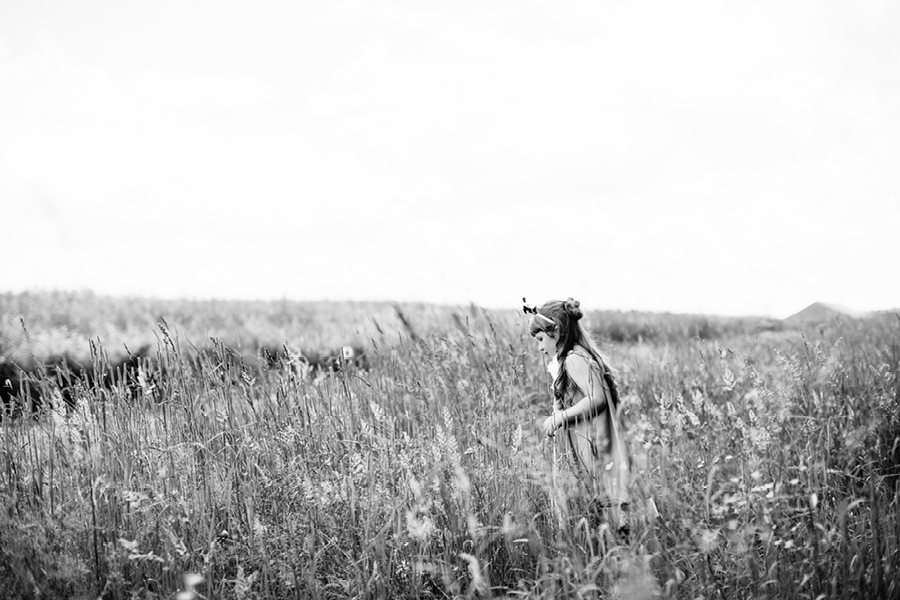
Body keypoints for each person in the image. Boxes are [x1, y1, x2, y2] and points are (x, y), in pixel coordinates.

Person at [525, 297, 632, 531]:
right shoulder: (574, 357)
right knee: (608, 521)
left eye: (541, 339)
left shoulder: (575, 360)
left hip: (598, 447)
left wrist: (561, 417)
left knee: (614, 520)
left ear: (558, 332)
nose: (540, 347)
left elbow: (597, 399)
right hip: (595, 446)